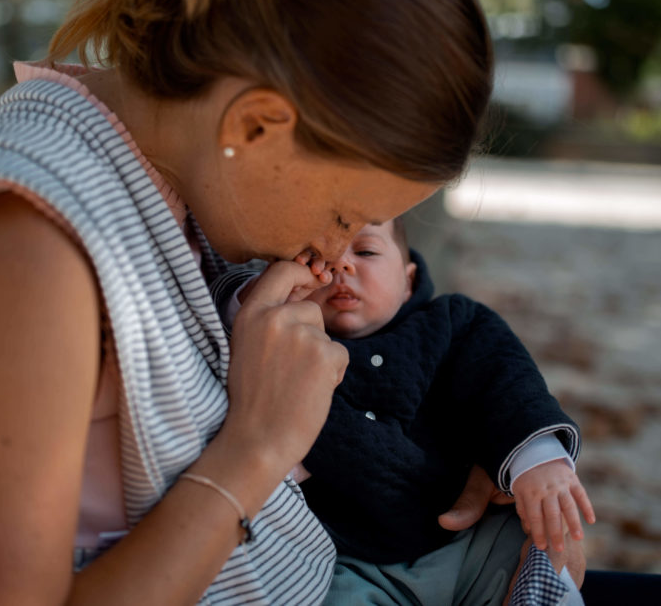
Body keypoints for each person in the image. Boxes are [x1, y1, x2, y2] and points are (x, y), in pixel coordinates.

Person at [0, 0, 505, 603]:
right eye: (343, 216)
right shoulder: (19, 257)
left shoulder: (162, 185)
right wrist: (256, 448)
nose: (336, 250)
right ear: (255, 125)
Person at [212, 219, 593, 605]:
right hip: (354, 563)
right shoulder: (289, 355)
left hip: (468, 543)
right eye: (319, 258)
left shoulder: (450, 324)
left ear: (409, 279)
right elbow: (240, 336)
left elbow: (506, 380)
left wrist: (538, 460)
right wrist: (262, 302)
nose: (342, 265)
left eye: (366, 251)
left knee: (537, 544)